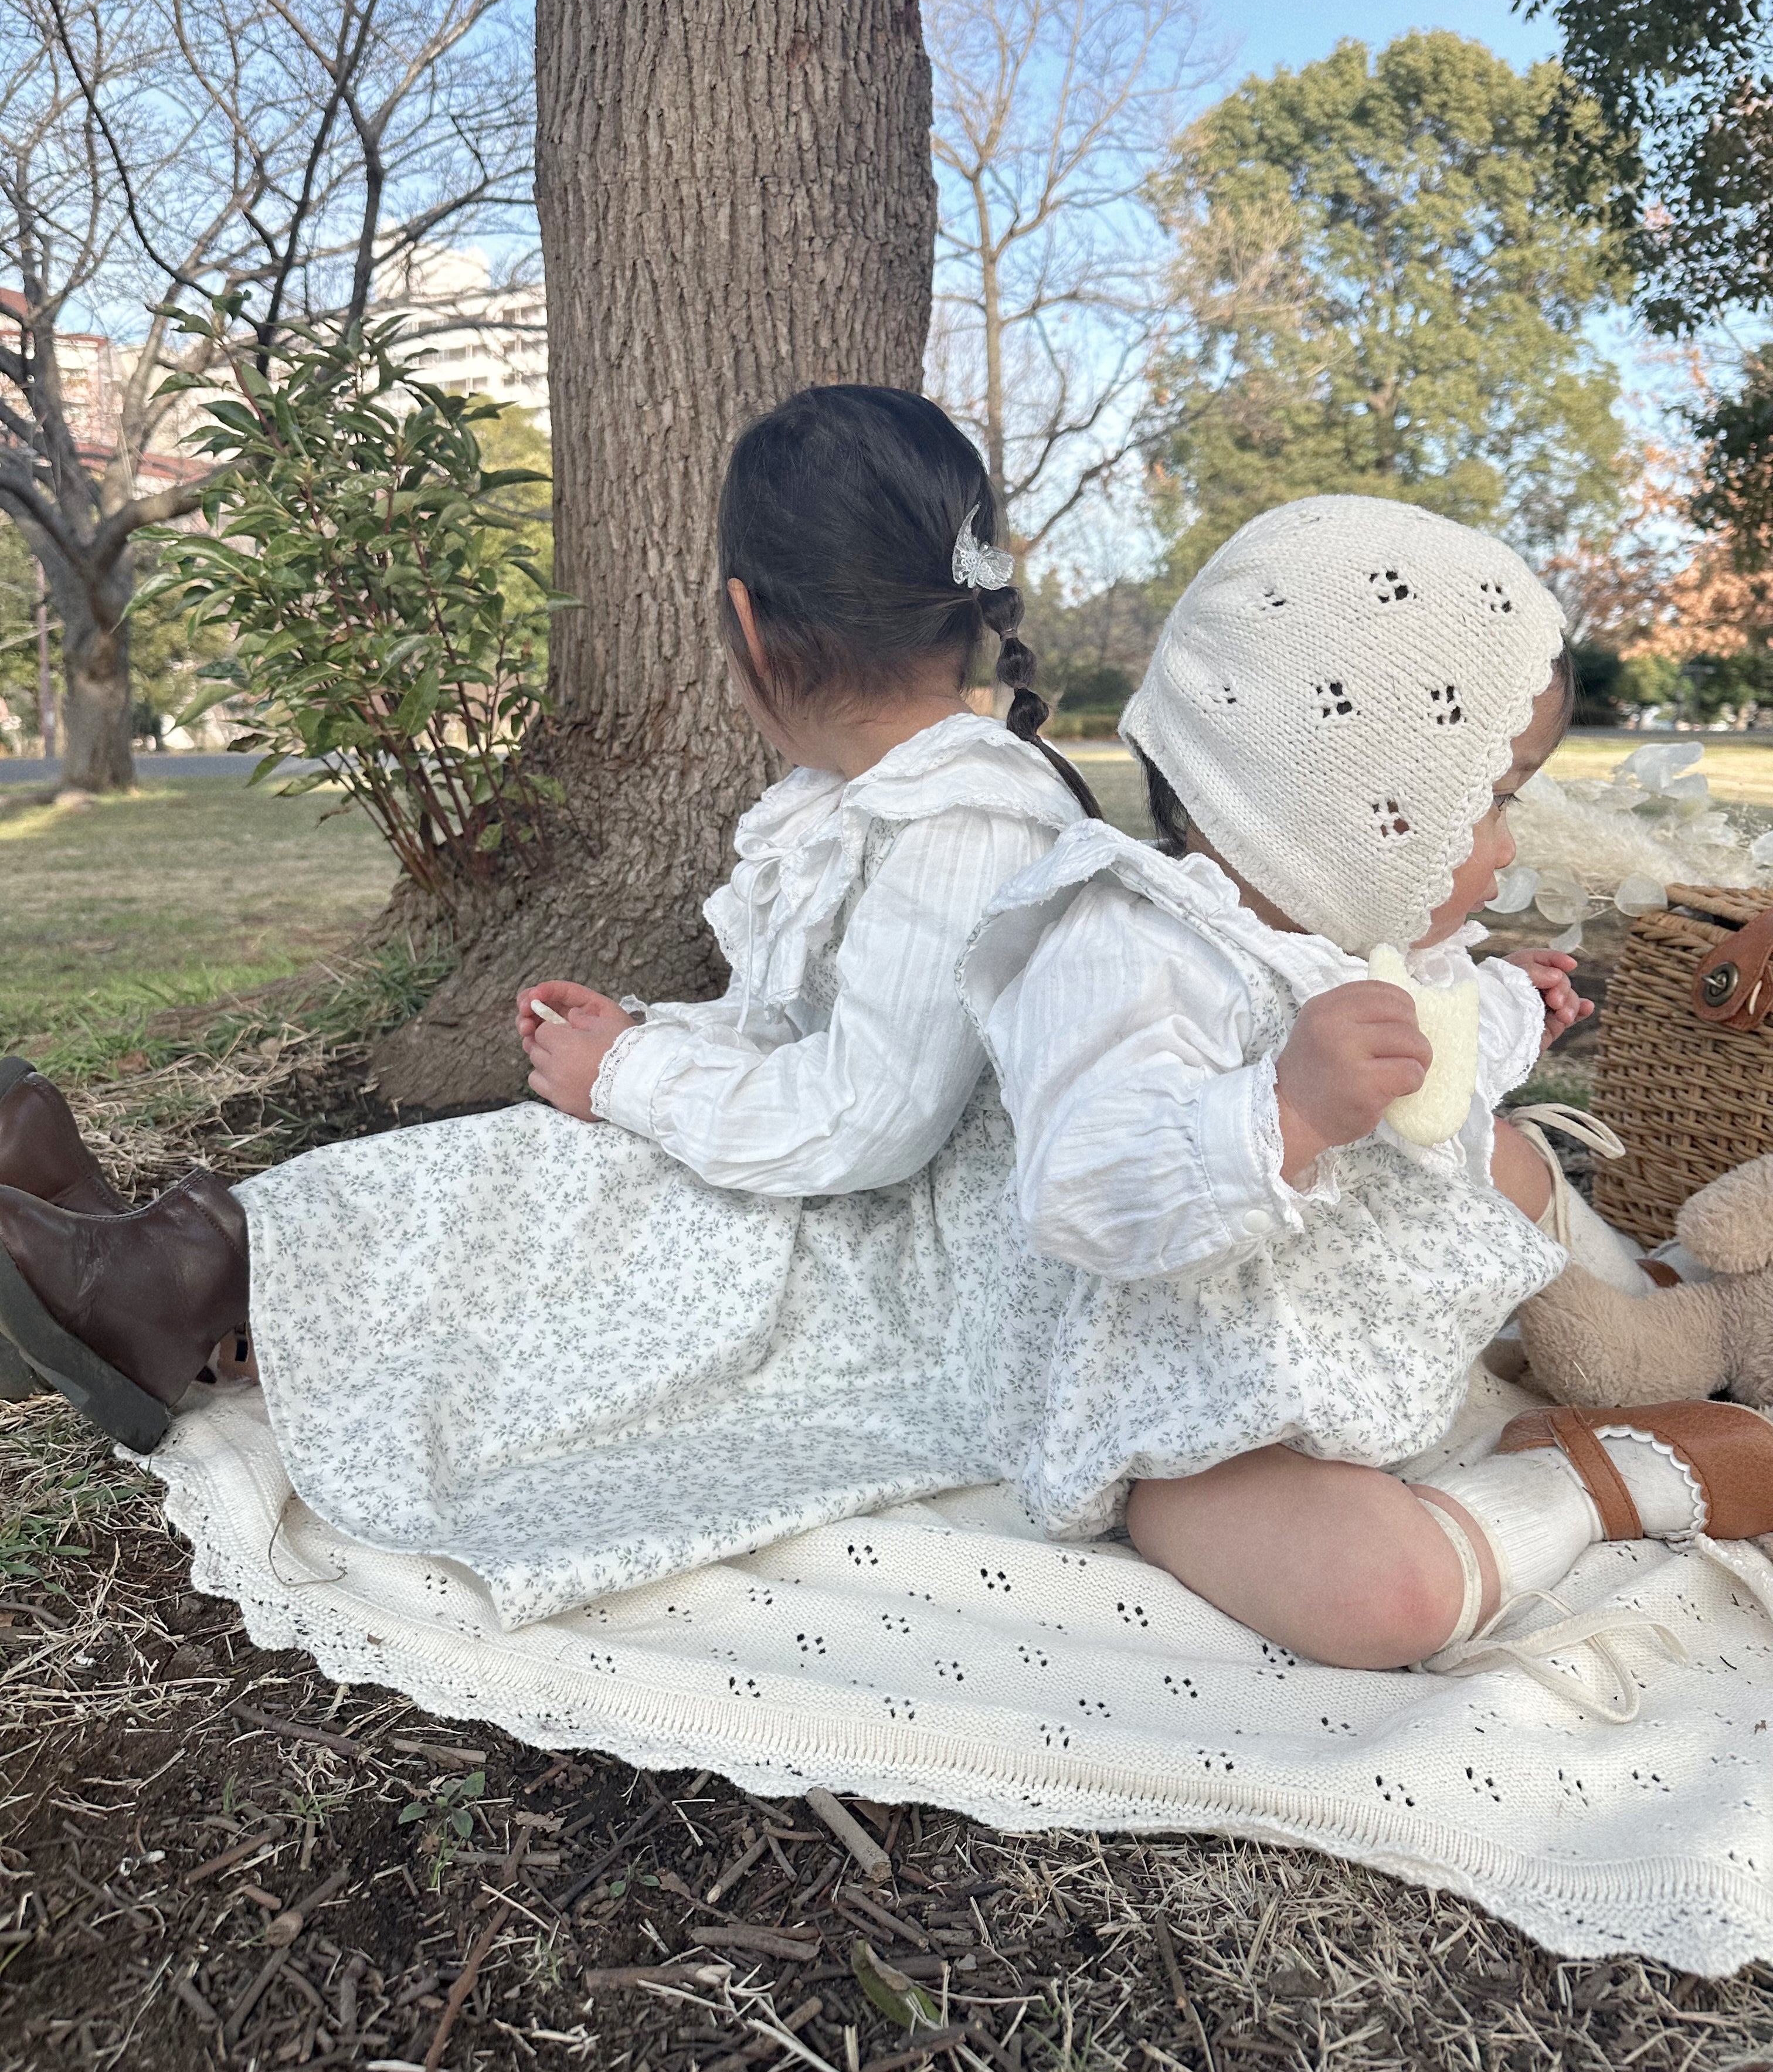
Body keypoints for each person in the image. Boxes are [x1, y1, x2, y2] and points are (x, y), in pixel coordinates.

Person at [0, 385, 1098, 1628]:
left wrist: (625, 1077)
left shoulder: (964, 827)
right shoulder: (887, 803)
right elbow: (817, 1044)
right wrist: (646, 1037)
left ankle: (173, 1287)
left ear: (747, 622)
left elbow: (870, 1122)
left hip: (897, 1276)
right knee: (562, 1164)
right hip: (854, 1206)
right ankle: (157, 1269)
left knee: (562, 1180)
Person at [960, 495, 1773, 1674]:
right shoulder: (1125, 946)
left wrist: (1508, 1004)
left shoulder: (1358, 920)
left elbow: (1428, 1071)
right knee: (1373, 1593)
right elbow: (1085, 1189)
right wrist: (1282, 1113)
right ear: (1354, 810)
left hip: (1352, 1309)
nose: (1503, 847)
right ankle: (1600, 1478)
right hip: (1191, 1381)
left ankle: (1639, 1313)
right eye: (1491, 802)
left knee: (1501, 1150)